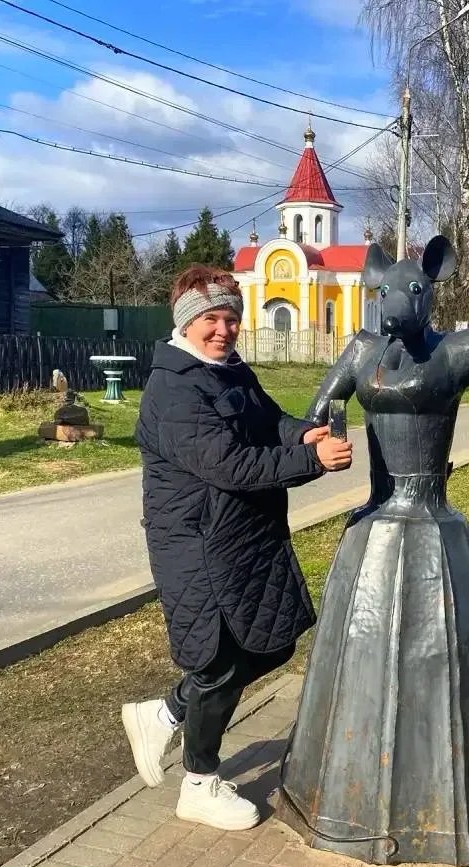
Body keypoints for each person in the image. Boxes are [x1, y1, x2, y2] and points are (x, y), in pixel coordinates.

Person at [122, 264, 352, 831]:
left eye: (231, 319)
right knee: (218, 663)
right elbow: (228, 465)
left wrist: (301, 433)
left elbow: (266, 420)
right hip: (196, 545)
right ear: (185, 322)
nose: (223, 330)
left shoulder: (228, 370)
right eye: (211, 319)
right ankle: (198, 784)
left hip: (243, 539)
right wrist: (311, 460)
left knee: (272, 645)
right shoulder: (174, 388)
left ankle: (166, 712)